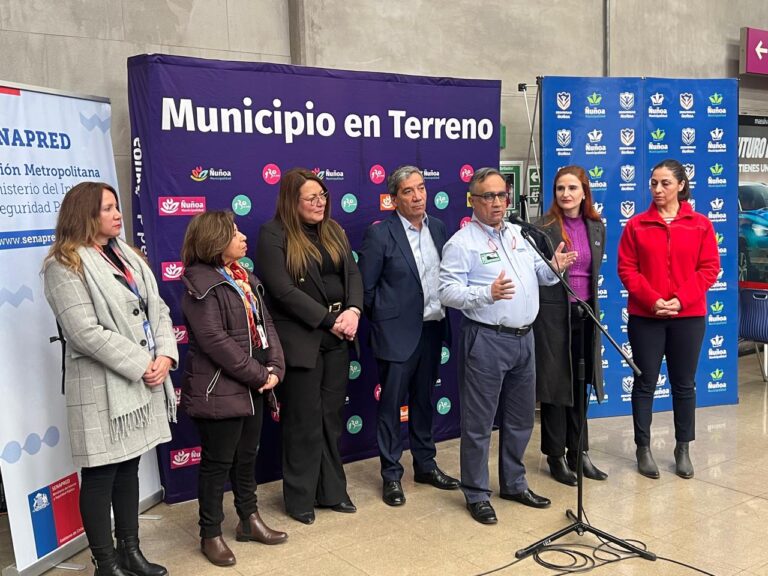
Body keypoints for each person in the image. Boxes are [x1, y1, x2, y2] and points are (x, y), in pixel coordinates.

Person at [43, 182, 177, 576]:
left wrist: (165, 354)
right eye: (107, 208)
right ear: (84, 214)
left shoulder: (127, 256)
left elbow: (158, 309)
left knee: (128, 468)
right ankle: (105, 563)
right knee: (101, 474)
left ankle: (130, 553)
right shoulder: (64, 265)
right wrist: (143, 362)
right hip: (101, 387)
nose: (118, 214)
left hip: (137, 382)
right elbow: (84, 332)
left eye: (117, 206)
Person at [438, 167, 575, 525]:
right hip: (486, 338)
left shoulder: (518, 233)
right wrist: (487, 293)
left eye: (502, 195)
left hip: (525, 338)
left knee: (520, 419)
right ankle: (476, 492)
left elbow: (539, 276)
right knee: (479, 423)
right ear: (473, 200)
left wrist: (554, 267)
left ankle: (514, 484)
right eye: (489, 196)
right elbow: (447, 292)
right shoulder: (462, 243)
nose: (497, 202)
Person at [180, 212, 287, 567]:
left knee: (247, 457)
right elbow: (214, 340)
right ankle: (210, 533)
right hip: (221, 388)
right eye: (234, 232)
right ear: (214, 240)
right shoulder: (200, 283)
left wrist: (275, 367)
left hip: (254, 384)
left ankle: (248, 520)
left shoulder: (244, 277)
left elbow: (266, 325)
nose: (243, 237)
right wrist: (258, 375)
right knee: (217, 463)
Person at [258, 168, 363, 525]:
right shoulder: (273, 234)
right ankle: (300, 498)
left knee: (330, 419)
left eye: (323, 196)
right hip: (302, 339)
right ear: (292, 201)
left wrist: (353, 311)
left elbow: (353, 275)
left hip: (339, 337)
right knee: (303, 421)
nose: (320, 203)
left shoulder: (334, 231)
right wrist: (328, 320)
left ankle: (332, 491)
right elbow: (282, 290)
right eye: (311, 198)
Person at [358, 165, 460, 507]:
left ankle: (425, 465)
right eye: (408, 191)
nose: (417, 196)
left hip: (432, 328)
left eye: (421, 188)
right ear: (393, 198)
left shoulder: (439, 227)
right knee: (391, 407)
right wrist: (388, 322)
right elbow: (366, 289)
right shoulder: (380, 234)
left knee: (423, 402)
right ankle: (391, 475)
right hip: (396, 335)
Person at [618, 158, 719, 480]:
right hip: (645, 317)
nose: (658, 189)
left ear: (681, 185)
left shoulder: (700, 224)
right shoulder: (636, 225)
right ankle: (643, 448)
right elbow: (627, 269)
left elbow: (709, 268)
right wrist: (653, 300)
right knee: (645, 382)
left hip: (688, 317)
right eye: (654, 183)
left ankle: (683, 448)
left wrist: (680, 300)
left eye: (665, 183)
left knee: (684, 384)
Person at [533, 166, 608, 486]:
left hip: (586, 314)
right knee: (555, 386)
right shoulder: (542, 227)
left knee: (580, 384)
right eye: (560, 188)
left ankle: (579, 452)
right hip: (553, 318)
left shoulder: (596, 226)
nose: (566, 194)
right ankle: (555, 455)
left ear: (584, 192)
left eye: (572, 188)